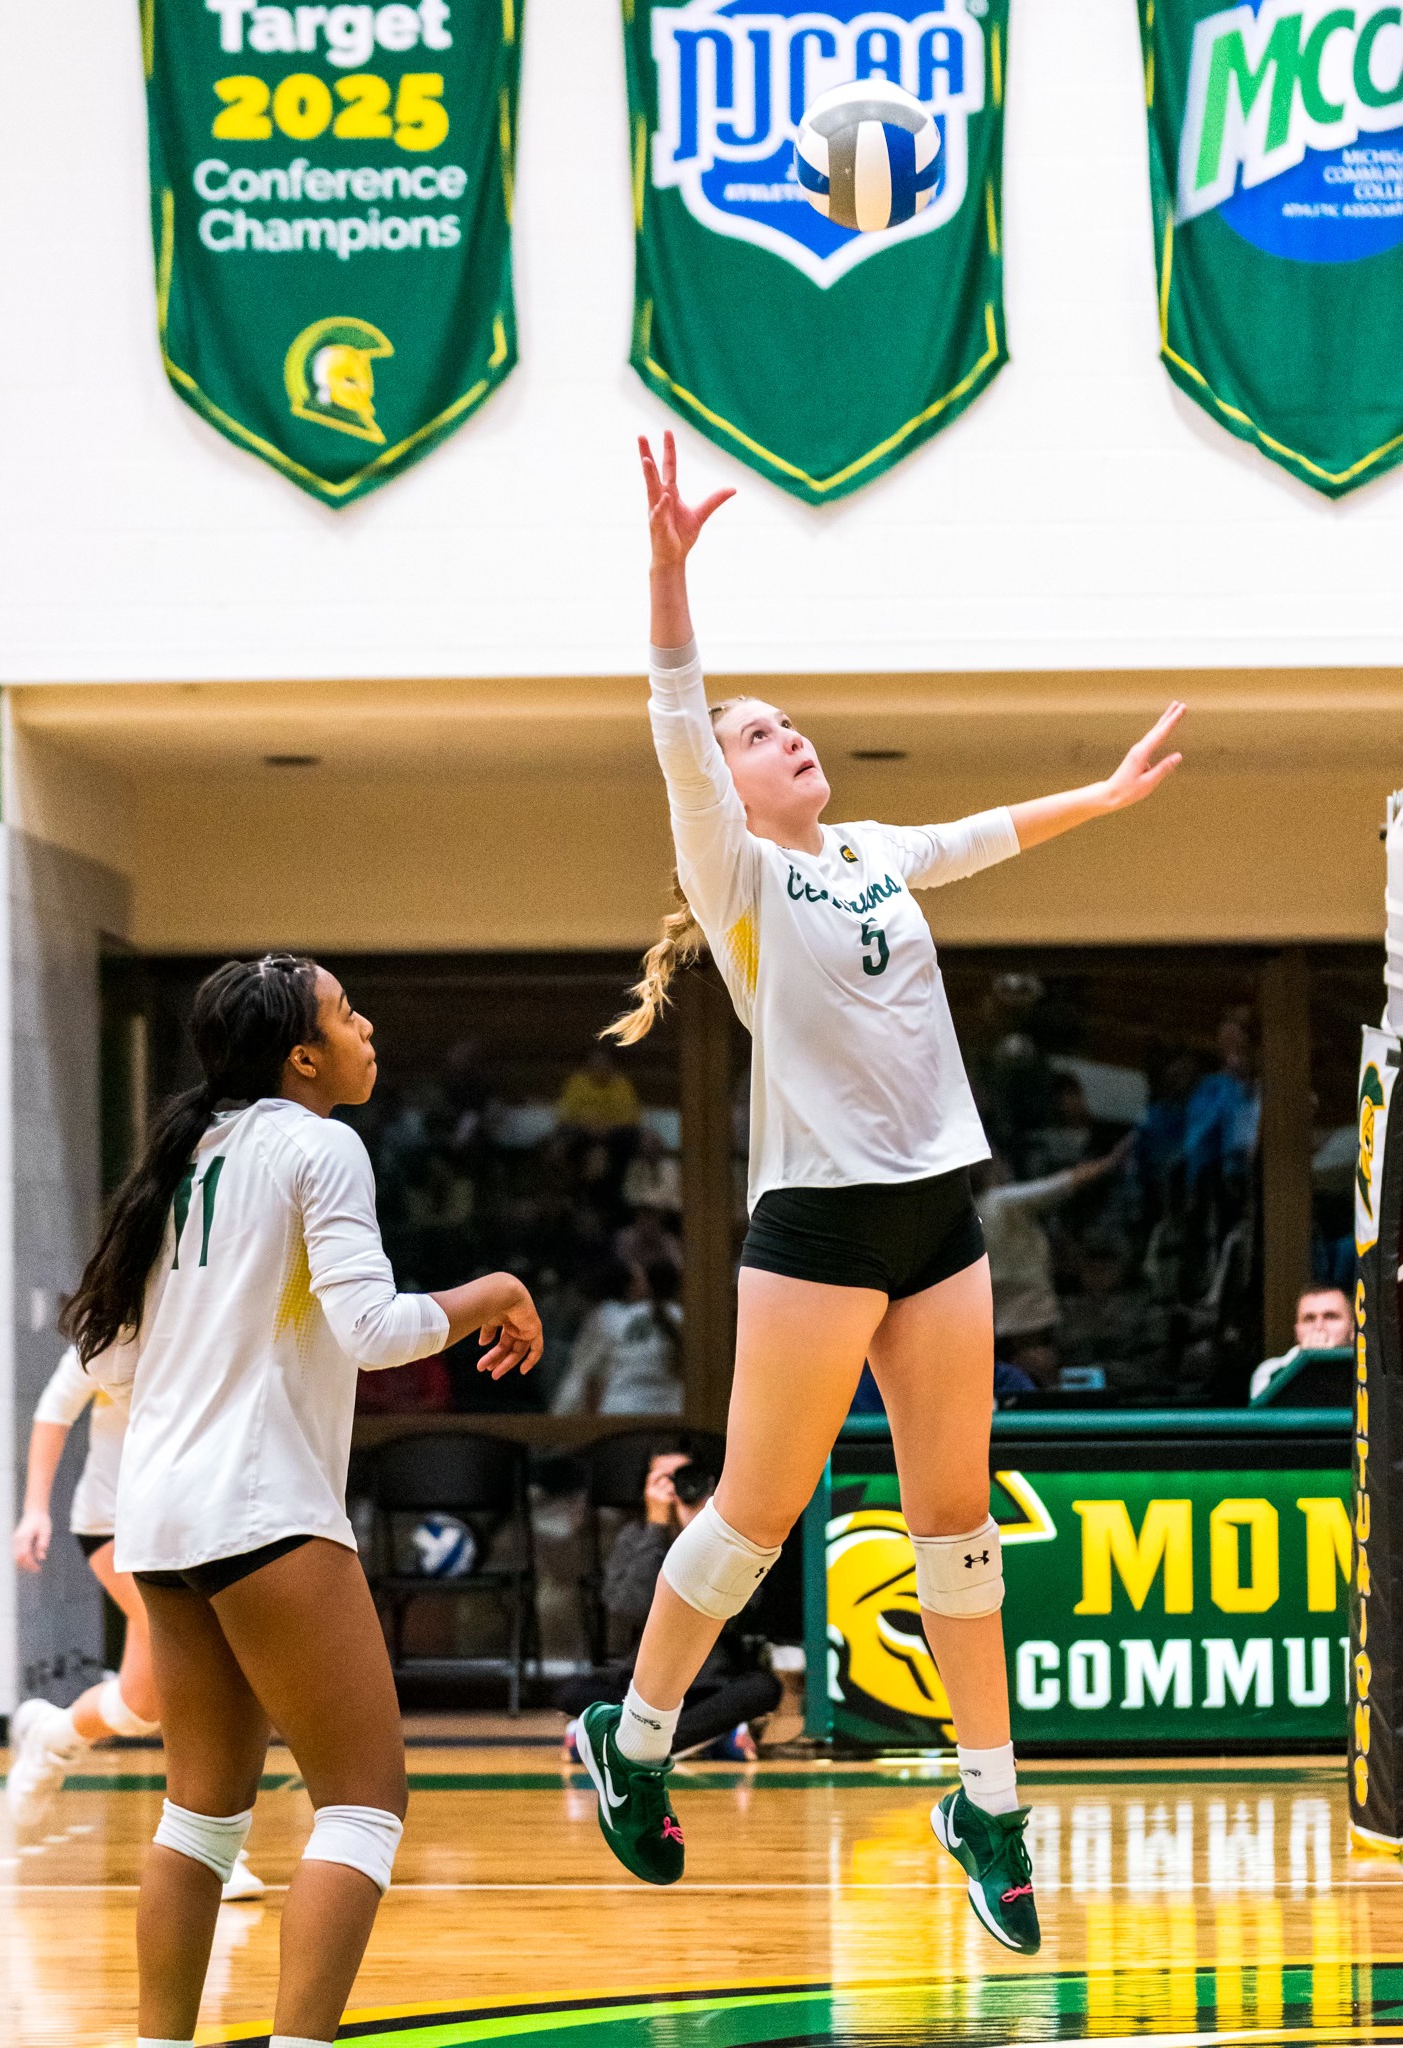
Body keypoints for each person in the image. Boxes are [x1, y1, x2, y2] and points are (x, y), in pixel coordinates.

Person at [569, 432, 1185, 1956]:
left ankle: (989, 1807)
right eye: (762, 732)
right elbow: (671, 717)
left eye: (789, 724)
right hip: (820, 1229)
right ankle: (633, 1742)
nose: (789, 739)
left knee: (955, 1524)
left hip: (935, 1215)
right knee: (754, 1518)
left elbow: (978, 837)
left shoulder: (861, 852)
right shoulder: (734, 871)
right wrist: (665, 576)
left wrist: (1099, 801)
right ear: (724, 783)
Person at [68, 953, 542, 2048]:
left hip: (160, 1519)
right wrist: (496, 1294)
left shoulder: (181, 1156)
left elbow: (112, 1360)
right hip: (265, 1509)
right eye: (347, 1012)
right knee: (364, 1803)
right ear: (302, 1055)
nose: (367, 1027)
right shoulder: (319, 1144)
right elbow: (373, 1332)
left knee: (200, 1811)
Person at [7, 1349, 260, 1897]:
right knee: (202, 1665)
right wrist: (34, 1509)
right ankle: (217, 1848)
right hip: (115, 1524)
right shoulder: (117, 1322)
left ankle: (50, 1738)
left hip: (193, 1522)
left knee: (142, 1703)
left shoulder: (219, 1309)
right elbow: (55, 1406)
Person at [556, 1451, 780, 1759]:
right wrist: (656, 1530)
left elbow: (738, 1612)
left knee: (763, 1688)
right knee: (572, 1691)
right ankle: (711, 1736)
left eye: (685, 1477)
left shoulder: (727, 1539)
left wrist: (699, 1531)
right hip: (641, 1685)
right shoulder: (635, 1538)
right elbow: (629, 1608)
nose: (676, 1488)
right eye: (663, 1479)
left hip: (709, 1684)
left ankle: (636, 1746)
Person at [974, 1142, 1130, 1389]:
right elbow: (1064, 1183)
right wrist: (1110, 1161)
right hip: (1026, 1314)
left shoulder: (965, 1213)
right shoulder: (1003, 1202)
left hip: (992, 1314)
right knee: (1039, 1371)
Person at [551, 1259, 683, 1416]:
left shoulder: (616, 1317)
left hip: (618, 1412)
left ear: (647, 1285)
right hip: (667, 1417)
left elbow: (592, 1378)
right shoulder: (684, 1319)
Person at [1250, 1282, 1356, 1400]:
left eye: (1330, 1316)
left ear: (1353, 1329)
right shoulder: (1270, 1371)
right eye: (1309, 1319)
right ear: (1297, 1330)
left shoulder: (1369, 1370)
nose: (1318, 1326)